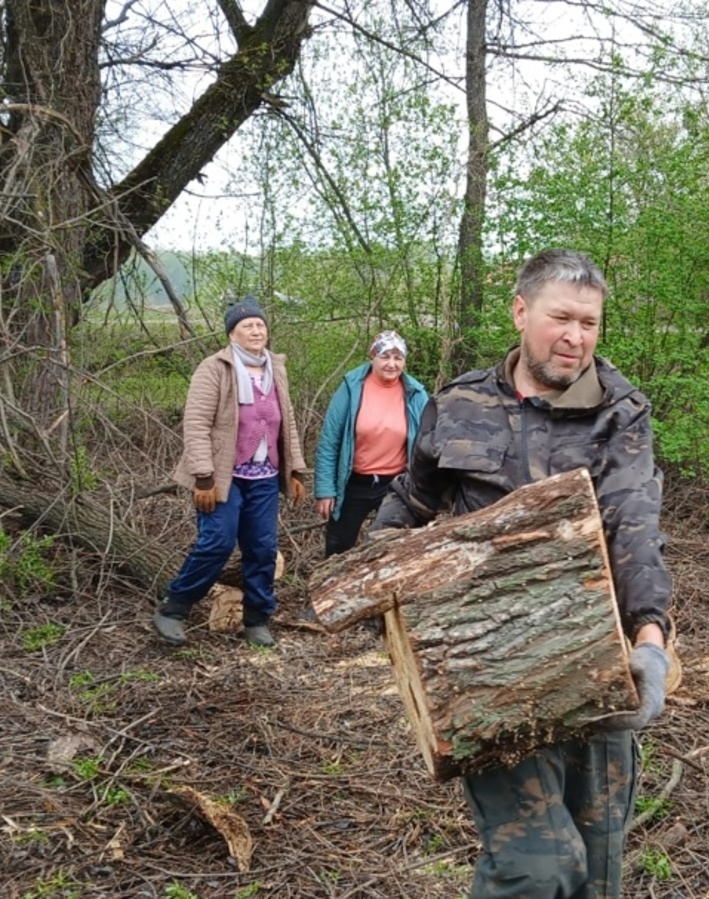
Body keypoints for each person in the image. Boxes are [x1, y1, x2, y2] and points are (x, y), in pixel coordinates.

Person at [371, 249, 672, 898]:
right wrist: (394, 613)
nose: (576, 336)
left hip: (596, 672)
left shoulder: (621, 412)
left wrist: (650, 639)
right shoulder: (457, 404)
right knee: (536, 868)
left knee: (595, 877)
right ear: (519, 311)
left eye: (590, 323)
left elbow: (637, 526)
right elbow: (402, 516)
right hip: (492, 677)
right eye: (561, 317)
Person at [154, 297, 308, 649]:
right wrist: (203, 475)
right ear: (232, 334)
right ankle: (173, 608)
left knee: (263, 548)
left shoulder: (275, 368)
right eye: (247, 326)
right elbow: (195, 423)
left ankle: (256, 619)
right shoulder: (214, 368)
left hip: (264, 476)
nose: (256, 331)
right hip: (223, 477)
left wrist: (296, 468)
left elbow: (288, 423)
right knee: (217, 543)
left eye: (260, 325)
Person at [313, 330, 429, 557]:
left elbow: (427, 442)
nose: (392, 364)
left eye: (398, 358)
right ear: (373, 357)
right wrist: (325, 490)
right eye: (385, 356)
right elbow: (329, 442)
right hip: (353, 482)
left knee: (395, 548)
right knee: (338, 548)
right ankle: (334, 589)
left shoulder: (416, 393)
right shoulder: (351, 388)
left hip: (396, 484)